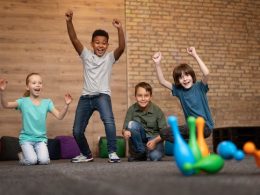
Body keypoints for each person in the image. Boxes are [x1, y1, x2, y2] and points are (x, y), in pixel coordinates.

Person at [65, 9, 125, 163]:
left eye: (104, 43)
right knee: (77, 131)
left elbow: (122, 48)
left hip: (102, 96)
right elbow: (74, 39)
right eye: (97, 42)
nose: (101, 46)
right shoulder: (86, 55)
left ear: (107, 45)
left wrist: (119, 29)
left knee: (109, 121)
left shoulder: (110, 58)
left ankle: (112, 152)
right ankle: (86, 154)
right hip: (86, 97)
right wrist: (69, 21)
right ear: (92, 44)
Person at [0, 73, 72, 165]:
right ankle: (23, 156)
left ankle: (34, 155)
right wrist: (1, 92)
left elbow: (59, 116)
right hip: (26, 139)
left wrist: (66, 105)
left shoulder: (47, 102)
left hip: (41, 139)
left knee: (44, 161)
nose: (37, 85)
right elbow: (5, 105)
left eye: (40, 83)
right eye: (34, 83)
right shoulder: (22, 102)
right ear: (27, 87)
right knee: (32, 161)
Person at [152, 47, 213, 142]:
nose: (185, 79)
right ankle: (187, 145)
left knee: (195, 128)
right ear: (178, 81)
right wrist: (157, 64)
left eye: (187, 75)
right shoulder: (179, 91)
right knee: (164, 133)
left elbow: (206, 73)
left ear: (192, 76)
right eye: (181, 78)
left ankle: (191, 143)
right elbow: (162, 81)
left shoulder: (200, 87)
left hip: (205, 127)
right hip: (190, 128)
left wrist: (195, 55)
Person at [122, 82, 167, 162]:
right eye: (140, 96)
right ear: (135, 96)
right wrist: (125, 132)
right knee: (131, 124)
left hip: (154, 140)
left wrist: (154, 141)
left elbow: (165, 133)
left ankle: (143, 155)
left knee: (155, 157)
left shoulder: (157, 111)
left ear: (150, 97)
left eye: (146, 96)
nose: (143, 99)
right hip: (140, 142)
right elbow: (124, 129)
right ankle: (141, 152)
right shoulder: (131, 109)